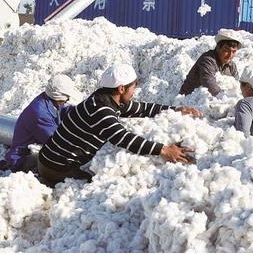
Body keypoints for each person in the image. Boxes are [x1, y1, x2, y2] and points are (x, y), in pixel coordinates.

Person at [38, 64, 202, 185]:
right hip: (56, 167)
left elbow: (140, 108)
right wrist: (164, 150)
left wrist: (175, 109)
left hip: (51, 158)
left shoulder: (106, 98)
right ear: (122, 88)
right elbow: (122, 138)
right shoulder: (100, 109)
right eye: (133, 87)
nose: (134, 91)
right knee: (96, 186)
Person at [4, 74, 83, 172]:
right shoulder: (40, 113)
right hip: (24, 158)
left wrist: (81, 111)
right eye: (65, 99)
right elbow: (57, 142)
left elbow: (63, 110)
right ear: (57, 97)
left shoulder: (49, 100)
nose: (67, 100)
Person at [179, 28, 242, 96]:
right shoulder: (207, 60)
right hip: (189, 101)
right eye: (226, 50)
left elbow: (237, 86)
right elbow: (210, 86)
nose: (230, 55)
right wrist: (228, 99)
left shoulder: (231, 65)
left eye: (234, 51)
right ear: (218, 48)